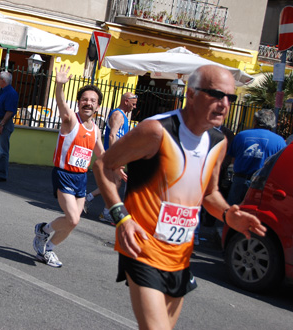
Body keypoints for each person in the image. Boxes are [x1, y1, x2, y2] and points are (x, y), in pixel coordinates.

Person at [92, 65, 266, 329]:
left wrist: (230, 214)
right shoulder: (156, 131)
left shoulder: (219, 143)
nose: (224, 104)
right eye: (216, 95)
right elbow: (104, 165)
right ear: (192, 95)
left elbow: (210, 194)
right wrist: (121, 216)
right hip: (143, 248)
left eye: (230, 98)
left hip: (181, 256)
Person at [32, 64, 105, 268]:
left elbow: (102, 155)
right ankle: (44, 231)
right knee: (72, 219)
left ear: (97, 107)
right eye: (84, 100)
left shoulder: (96, 130)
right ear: (79, 102)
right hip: (64, 174)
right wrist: (59, 86)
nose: (88, 103)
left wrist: (118, 166)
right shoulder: (71, 120)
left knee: (74, 222)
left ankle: (47, 248)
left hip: (81, 177)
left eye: (92, 101)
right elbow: (61, 104)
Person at [85, 92, 138, 222]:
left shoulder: (123, 116)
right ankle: (104, 211)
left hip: (118, 155)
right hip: (112, 156)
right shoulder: (118, 114)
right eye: (133, 103)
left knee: (114, 183)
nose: (135, 107)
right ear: (126, 101)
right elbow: (112, 135)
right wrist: (115, 157)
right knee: (115, 183)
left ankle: (91, 200)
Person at [226, 109, 286, 205]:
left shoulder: (241, 136)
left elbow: (233, 159)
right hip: (262, 185)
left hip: (240, 181)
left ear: (255, 121)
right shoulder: (280, 141)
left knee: (232, 212)